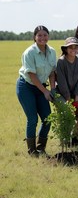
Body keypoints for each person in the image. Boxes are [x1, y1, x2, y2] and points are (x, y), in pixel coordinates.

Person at [16, 26, 57, 156]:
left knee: (47, 118)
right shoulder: (29, 52)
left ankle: (41, 148)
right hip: (26, 86)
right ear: (35, 37)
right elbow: (32, 75)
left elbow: (52, 72)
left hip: (42, 87)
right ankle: (32, 151)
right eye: (39, 35)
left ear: (48, 36)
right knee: (32, 118)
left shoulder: (52, 51)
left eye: (45, 35)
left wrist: (53, 89)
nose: (42, 38)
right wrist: (45, 91)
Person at [56, 37, 78, 145]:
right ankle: (64, 141)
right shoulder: (61, 61)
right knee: (66, 115)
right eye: (70, 47)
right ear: (66, 49)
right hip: (62, 95)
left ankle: (74, 141)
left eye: (75, 47)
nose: (73, 49)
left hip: (74, 95)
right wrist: (68, 99)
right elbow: (62, 82)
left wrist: (76, 99)